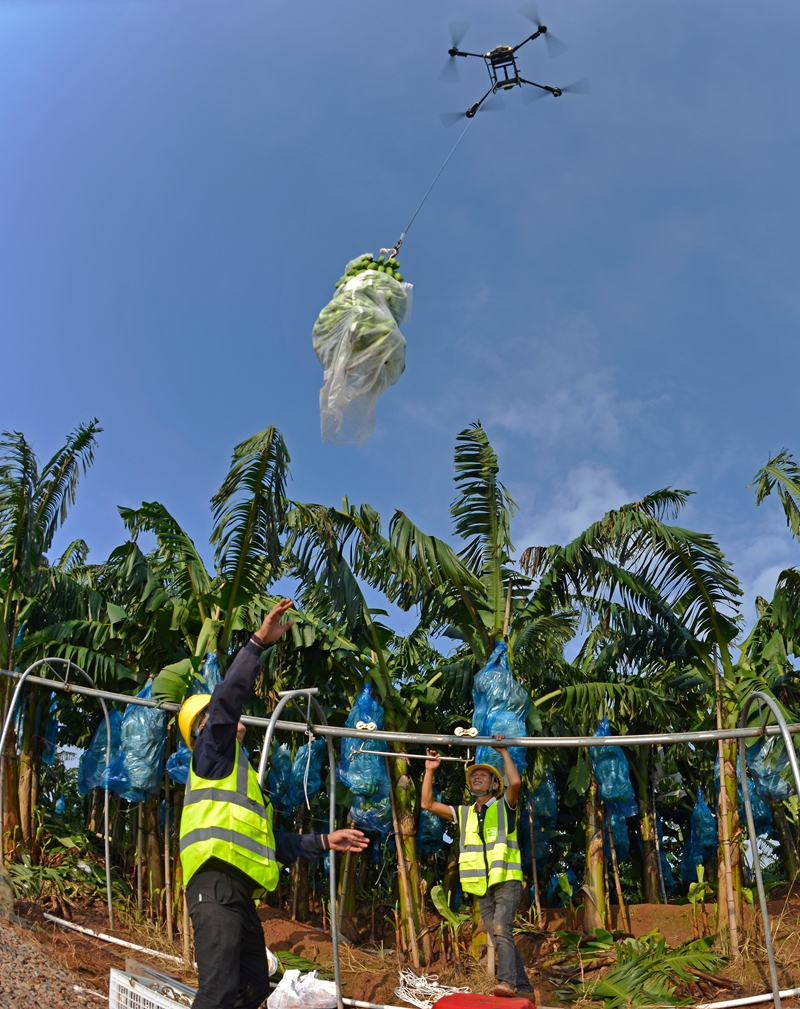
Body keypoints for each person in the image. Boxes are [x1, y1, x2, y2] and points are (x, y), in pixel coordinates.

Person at [178, 599, 368, 1009]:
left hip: (239, 895)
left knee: (250, 991)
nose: (226, 715)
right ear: (204, 728)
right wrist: (258, 643)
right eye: (213, 714)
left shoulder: (237, 773)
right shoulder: (211, 754)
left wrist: (324, 841)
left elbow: (270, 843)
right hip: (214, 887)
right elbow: (228, 700)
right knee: (218, 993)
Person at [421, 740, 532, 999]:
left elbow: (514, 783)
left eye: (484, 775)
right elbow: (427, 804)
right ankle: (526, 988)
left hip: (506, 879)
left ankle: (507, 983)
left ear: (495, 785)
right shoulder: (465, 812)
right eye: (473, 775)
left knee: (502, 928)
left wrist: (504, 752)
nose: (476, 776)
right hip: (482, 885)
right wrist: (429, 770)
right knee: (498, 932)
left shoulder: (505, 806)